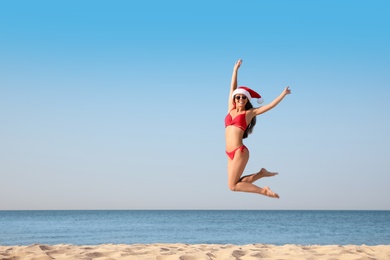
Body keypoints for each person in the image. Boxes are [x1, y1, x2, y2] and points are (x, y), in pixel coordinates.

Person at [225, 59, 291, 198]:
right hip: (229, 152)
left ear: (247, 100)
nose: (240, 99)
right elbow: (232, 88)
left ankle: (264, 191)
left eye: (244, 98)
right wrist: (235, 71)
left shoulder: (249, 113)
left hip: (239, 151)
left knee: (232, 186)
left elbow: (271, 105)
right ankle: (261, 174)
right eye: (238, 97)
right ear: (234, 99)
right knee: (234, 184)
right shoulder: (230, 108)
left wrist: (283, 94)